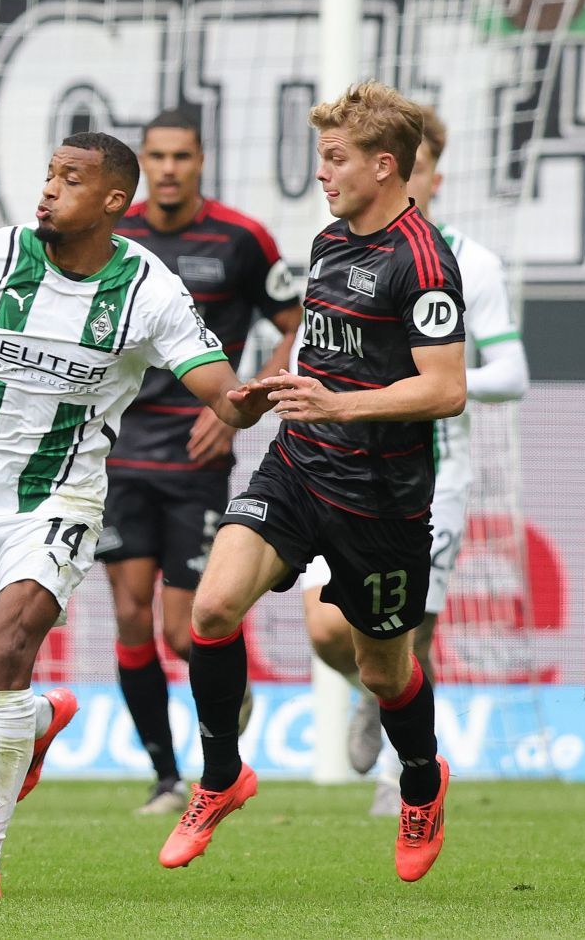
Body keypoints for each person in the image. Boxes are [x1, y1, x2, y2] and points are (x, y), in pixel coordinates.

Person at [0, 131, 270, 901]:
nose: (48, 190)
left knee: (9, 647)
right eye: (48, 174)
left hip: (62, 499)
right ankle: (41, 718)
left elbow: (219, 388)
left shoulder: (148, 289)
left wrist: (253, 400)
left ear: (113, 201)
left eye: (69, 180)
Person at [159, 81, 466, 882]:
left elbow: (446, 388)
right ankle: (221, 777)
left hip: (383, 500)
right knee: (213, 606)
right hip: (298, 462)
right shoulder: (330, 240)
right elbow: (318, 354)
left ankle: (423, 784)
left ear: (385, 165)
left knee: (382, 671)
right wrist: (273, 386)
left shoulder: (424, 263)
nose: (323, 173)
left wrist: (342, 402)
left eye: (336, 158)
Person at [301, 102, 528, 815]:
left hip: (429, 473)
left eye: (425, 168)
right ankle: (378, 694)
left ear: (424, 173)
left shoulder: (466, 262)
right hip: (335, 461)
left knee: (406, 630)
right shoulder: (337, 245)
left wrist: (428, 386)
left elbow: (511, 374)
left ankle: (400, 779)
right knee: (327, 627)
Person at [98, 110, 300, 815]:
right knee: (129, 618)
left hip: (197, 457)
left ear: (201, 160)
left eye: (181, 155)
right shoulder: (113, 236)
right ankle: (164, 775)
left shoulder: (241, 240)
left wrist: (244, 401)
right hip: (115, 454)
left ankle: (227, 697)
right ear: (142, 164)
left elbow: (298, 324)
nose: (169, 168)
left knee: (184, 630)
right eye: (156, 156)